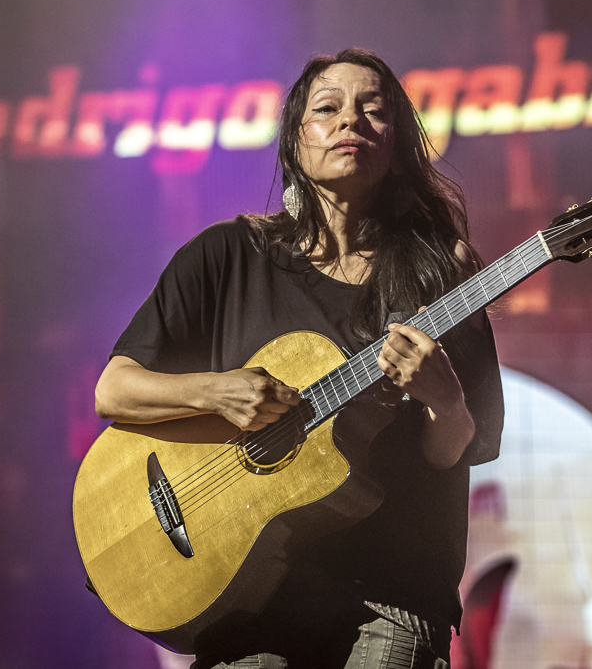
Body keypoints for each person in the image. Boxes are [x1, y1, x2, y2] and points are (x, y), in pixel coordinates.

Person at [95, 48, 504, 668]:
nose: (351, 122)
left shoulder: (443, 271)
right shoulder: (227, 255)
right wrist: (217, 393)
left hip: (394, 592)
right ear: (295, 140)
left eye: (373, 110)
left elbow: (449, 452)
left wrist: (444, 400)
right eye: (328, 109)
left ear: (398, 142)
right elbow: (115, 390)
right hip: (248, 590)